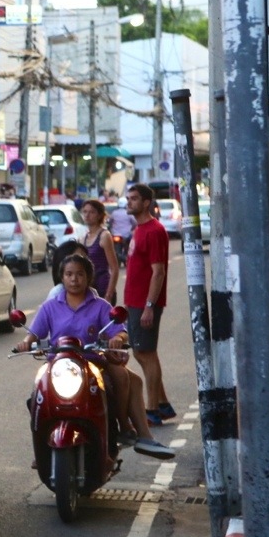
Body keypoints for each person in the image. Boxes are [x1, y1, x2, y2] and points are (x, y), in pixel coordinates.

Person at [15, 254, 173, 460]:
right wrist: (26, 342)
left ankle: (123, 425)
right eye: (69, 274)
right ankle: (42, 451)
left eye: (80, 274)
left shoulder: (100, 306)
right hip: (59, 366)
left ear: (89, 277)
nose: (74, 279)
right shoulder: (49, 307)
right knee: (38, 396)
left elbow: (120, 331)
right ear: (62, 277)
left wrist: (117, 338)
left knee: (121, 379)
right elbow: (34, 333)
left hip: (93, 363)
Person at [124, 183, 176, 427]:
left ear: (146, 203)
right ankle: (163, 404)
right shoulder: (140, 229)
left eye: (134, 199)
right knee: (143, 352)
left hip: (145, 303)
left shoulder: (154, 231)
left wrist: (149, 306)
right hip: (134, 301)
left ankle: (152, 409)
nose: (129, 202)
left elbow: (158, 272)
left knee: (145, 353)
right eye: (128, 198)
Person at [80, 199, 120, 303]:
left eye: (92, 212)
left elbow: (114, 268)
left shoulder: (104, 235)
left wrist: (109, 294)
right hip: (88, 291)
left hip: (103, 289)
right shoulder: (83, 238)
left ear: (99, 215)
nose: (87, 215)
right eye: (85, 211)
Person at [109, 201, 134, 267]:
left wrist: (111, 228)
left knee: (116, 250)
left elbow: (110, 222)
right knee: (128, 248)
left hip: (116, 234)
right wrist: (132, 228)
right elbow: (134, 222)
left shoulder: (114, 213)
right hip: (127, 235)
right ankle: (126, 259)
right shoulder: (128, 213)